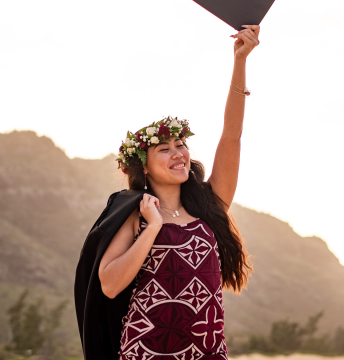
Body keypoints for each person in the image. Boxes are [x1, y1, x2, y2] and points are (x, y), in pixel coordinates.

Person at [98, 24, 260, 360]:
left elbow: (231, 136)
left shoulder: (211, 206)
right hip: (145, 354)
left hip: (208, 353)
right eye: (164, 149)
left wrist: (240, 61)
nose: (178, 154)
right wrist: (152, 227)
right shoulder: (133, 215)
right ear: (143, 166)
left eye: (181, 144)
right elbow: (110, 284)